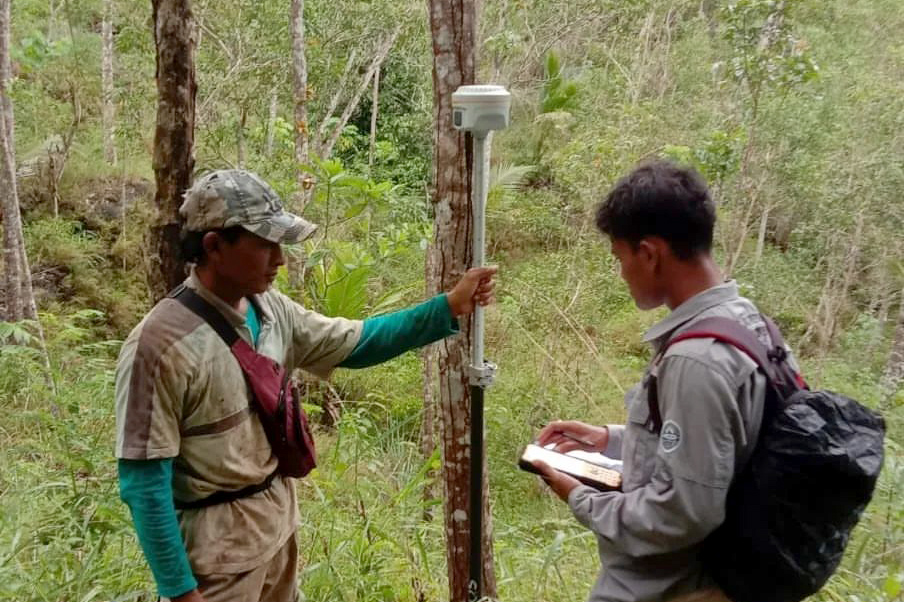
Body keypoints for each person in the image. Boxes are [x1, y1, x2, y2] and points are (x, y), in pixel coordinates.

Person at [114, 169, 497, 602]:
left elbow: (357, 342)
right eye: (265, 244)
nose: (280, 259)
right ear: (214, 246)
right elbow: (144, 482)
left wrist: (446, 306)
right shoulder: (160, 347)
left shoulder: (270, 309)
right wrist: (181, 591)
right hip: (216, 561)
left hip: (277, 532)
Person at [531, 160, 797, 602]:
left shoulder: (698, 360)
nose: (621, 273)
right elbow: (718, 447)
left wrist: (580, 497)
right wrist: (609, 439)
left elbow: (681, 514)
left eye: (621, 257)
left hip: (672, 589)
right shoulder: (751, 324)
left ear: (649, 254)